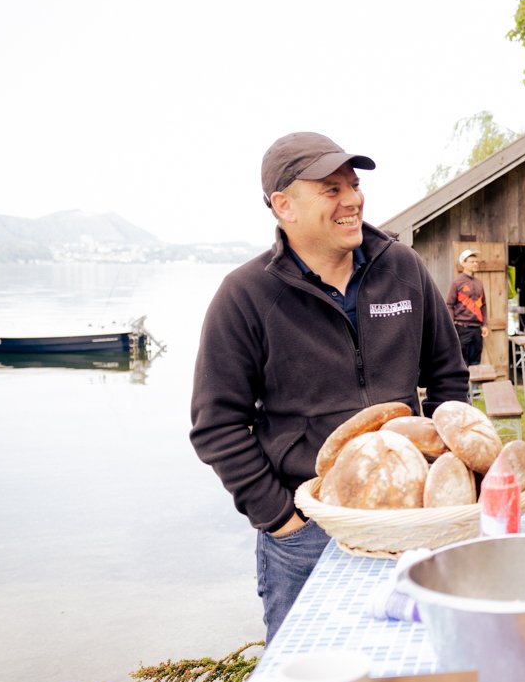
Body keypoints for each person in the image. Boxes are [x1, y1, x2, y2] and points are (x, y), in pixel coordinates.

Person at [190, 132, 470, 643]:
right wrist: (280, 517)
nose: (353, 200)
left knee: (415, 657)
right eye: (330, 188)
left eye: (354, 185)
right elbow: (217, 424)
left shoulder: (403, 269)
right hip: (306, 530)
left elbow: (447, 378)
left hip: (409, 520)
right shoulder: (245, 295)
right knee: (308, 677)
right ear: (284, 205)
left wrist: (449, 474)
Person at [446, 248, 488, 366]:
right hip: (461, 328)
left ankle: (474, 385)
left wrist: (485, 325)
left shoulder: (479, 283)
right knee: (461, 362)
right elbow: (449, 305)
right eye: (472, 261)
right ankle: (463, 385)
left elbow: (483, 305)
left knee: (476, 361)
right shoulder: (457, 283)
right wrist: (451, 326)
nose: (475, 264)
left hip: (476, 330)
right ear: (463, 263)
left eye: (476, 261)